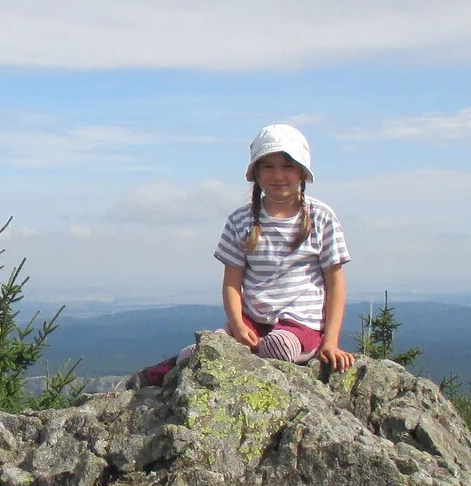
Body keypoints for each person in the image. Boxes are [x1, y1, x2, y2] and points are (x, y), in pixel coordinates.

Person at [128, 123, 354, 387]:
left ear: (302, 172)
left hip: (302, 325)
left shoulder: (321, 218)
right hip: (252, 321)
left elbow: (335, 284)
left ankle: (239, 358)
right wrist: (236, 324)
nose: (278, 175)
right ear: (256, 172)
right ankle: (158, 373)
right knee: (207, 349)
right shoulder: (240, 220)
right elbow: (232, 283)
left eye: (288, 165)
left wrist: (330, 342)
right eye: (268, 166)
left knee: (279, 347)